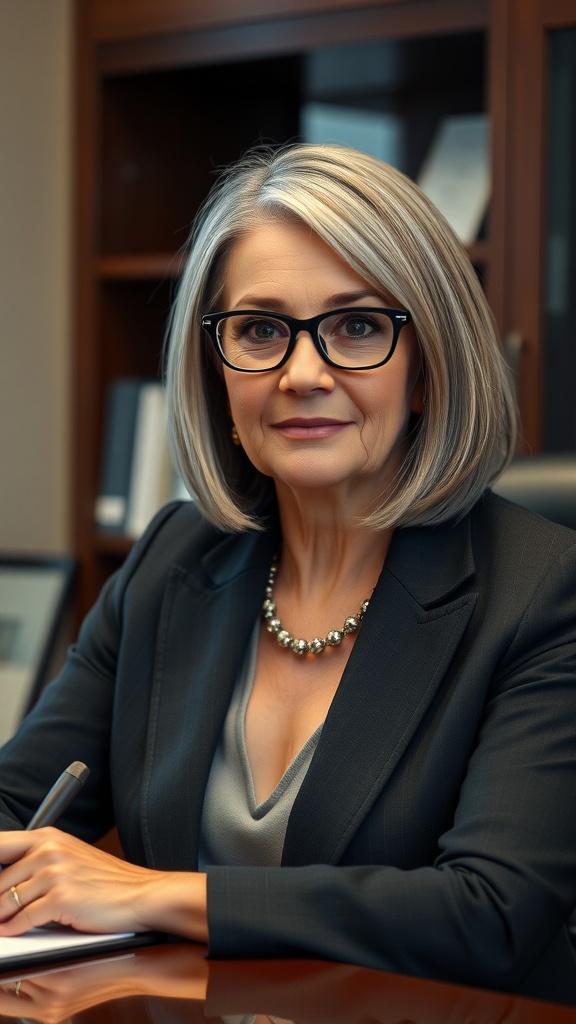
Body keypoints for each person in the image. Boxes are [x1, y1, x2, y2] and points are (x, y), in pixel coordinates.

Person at [0, 142, 575, 1005]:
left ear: (428, 369)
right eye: (261, 330)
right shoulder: (172, 561)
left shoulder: (543, 592)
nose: (303, 374)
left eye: (358, 326)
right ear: (217, 369)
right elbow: (19, 804)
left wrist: (156, 894)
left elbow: (487, 915)